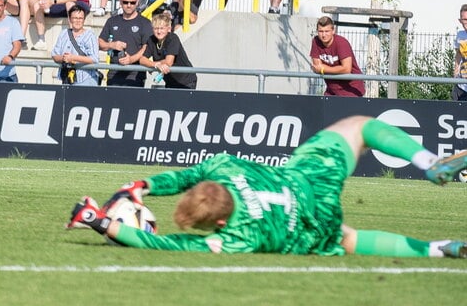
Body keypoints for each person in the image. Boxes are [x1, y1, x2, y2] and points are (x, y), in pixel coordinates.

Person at [68, 115, 467, 259]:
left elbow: (156, 244)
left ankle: (436, 248)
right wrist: (142, 184)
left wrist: (98, 221)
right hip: (308, 180)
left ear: (219, 223)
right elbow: (185, 177)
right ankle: (429, 162)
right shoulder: (223, 166)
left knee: (348, 240)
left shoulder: (233, 239)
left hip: (310, 227)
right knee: (361, 126)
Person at [98, 0, 152, 87]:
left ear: (137, 2)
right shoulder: (112, 21)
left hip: (135, 73)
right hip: (114, 73)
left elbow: (147, 48)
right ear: (120, 2)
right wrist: (112, 45)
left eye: (132, 2)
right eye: (125, 2)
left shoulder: (145, 23)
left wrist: (131, 59)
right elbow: (100, 42)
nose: (128, 5)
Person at [139, 12, 197, 89]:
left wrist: (151, 64)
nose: (159, 31)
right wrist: (155, 65)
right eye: (156, 28)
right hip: (170, 81)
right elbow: (142, 59)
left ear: (168, 28)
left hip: (186, 81)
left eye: (162, 28)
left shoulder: (173, 38)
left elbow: (169, 61)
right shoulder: (151, 39)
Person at [310, 16, 364, 97]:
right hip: (331, 90)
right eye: (320, 31)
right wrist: (336, 69)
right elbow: (317, 66)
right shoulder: (316, 41)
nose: (323, 35)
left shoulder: (341, 43)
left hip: (351, 89)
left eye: (327, 31)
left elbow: (346, 69)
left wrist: (323, 69)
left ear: (333, 31)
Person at [51, 4, 101, 86]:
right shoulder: (63, 34)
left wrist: (73, 58)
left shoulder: (90, 35)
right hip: (67, 79)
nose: (78, 21)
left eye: (80, 18)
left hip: (86, 79)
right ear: (70, 19)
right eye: (75, 18)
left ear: (84, 20)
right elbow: (54, 55)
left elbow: (94, 59)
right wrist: (64, 58)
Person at [453, 4, 467, 101]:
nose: (465, 22)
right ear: (460, 20)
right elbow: (458, 54)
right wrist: (456, 70)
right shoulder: (460, 35)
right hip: (461, 86)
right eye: (464, 19)